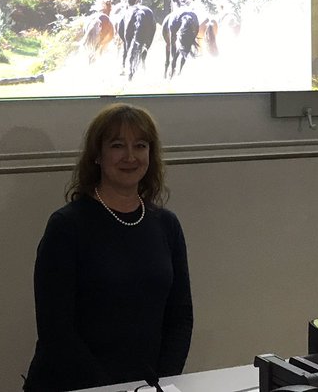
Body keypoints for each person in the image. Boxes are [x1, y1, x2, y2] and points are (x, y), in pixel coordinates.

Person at [23, 104, 193, 392]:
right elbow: (56, 330)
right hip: (74, 384)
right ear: (97, 155)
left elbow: (180, 317)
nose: (130, 156)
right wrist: (108, 389)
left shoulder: (166, 224)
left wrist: (160, 382)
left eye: (140, 146)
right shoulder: (67, 226)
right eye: (117, 145)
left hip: (146, 386)